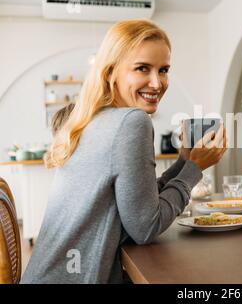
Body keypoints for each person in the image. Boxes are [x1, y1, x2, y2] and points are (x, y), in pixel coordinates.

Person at [21, 19, 227, 284]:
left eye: (163, 70)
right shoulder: (132, 121)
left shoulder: (94, 119)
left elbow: (137, 204)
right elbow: (145, 227)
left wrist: (185, 160)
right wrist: (194, 169)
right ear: (110, 72)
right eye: (142, 68)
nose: (157, 83)